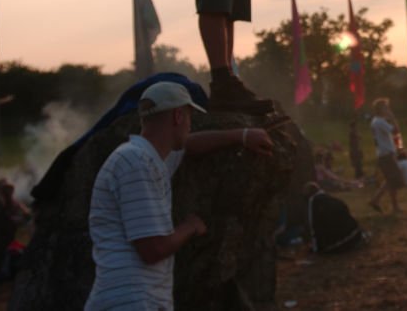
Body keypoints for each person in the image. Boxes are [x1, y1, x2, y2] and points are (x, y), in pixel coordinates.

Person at [85, 81, 274, 310]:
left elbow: (189, 144)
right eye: (189, 118)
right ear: (178, 116)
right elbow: (153, 249)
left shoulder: (147, 157)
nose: (190, 126)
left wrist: (242, 136)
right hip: (131, 300)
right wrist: (191, 226)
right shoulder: (136, 163)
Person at [303, 182, 366, 254]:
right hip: (354, 236)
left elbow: (313, 226)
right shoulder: (334, 200)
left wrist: (316, 249)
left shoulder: (313, 202)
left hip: (334, 245)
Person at [368, 98, 403, 214]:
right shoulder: (380, 122)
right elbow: (396, 131)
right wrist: (392, 117)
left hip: (384, 154)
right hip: (386, 154)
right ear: (381, 109)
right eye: (386, 107)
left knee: (390, 180)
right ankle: (391, 205)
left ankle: (376, 200)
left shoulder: (376, 121)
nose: (388, 109)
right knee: (393, 179)